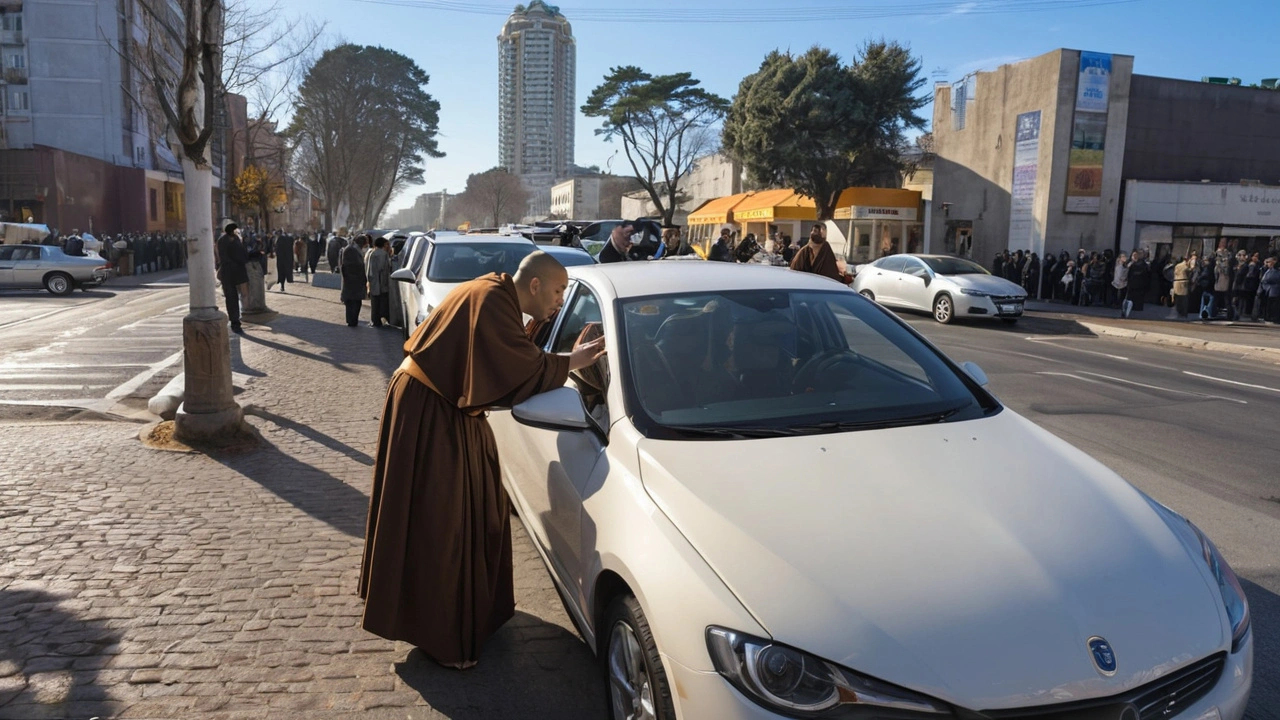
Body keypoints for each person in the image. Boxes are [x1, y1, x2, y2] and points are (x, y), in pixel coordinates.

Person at [359, 251, 606, 669]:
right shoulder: (492, 300)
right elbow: (515, 369)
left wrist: (549, 342)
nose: (561, 300)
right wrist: (570, 362)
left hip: (439, 408)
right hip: (430, 411)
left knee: (457, 516)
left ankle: (452, 617)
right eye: (559, 290)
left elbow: (504, 356)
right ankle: (443, 637)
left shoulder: (497, 295)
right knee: (442, 524)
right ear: (535, 285)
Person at [215, 222, 249, 334]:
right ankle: (235, 320)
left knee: (235, 296)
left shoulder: (234, 239)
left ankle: (236, 319)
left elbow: (242, 253)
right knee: (231, 296)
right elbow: (224, 257)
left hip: (235, 271)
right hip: (229, 272)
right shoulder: (225, 241)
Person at [340, 235, 368, 327]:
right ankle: (351, 321)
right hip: (352, 281)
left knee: (356, 302)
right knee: (352, 302)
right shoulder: (351, 250)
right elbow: (348, 266)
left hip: (356, 281)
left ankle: (353, 320)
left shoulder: (355, 249)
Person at [366, 236, 392, 328]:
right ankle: (378, 320)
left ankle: (375, 320)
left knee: (374, 303)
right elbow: (382, 268)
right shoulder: (382, 254)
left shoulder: (372, 253)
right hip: (380, 283)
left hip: (374, 282)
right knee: (381, 302)